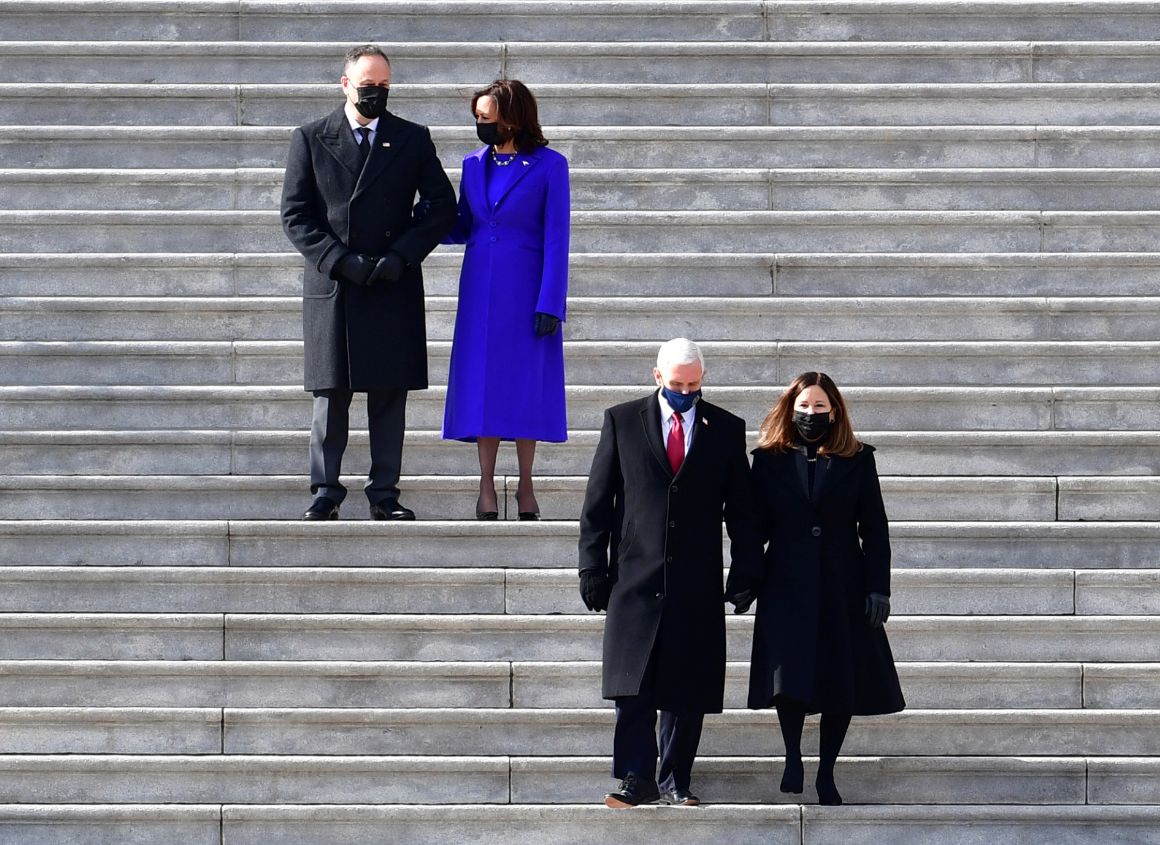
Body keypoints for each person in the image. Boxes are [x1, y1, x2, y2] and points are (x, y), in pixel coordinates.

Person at [578, 338, 758, 808]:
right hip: (634, 577)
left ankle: (677, 777)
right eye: (677, 385)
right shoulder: (622, 421)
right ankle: (637, 777)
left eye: (694, 385)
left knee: (688, 684)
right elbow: (598, 502)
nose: (686, 393)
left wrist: (746, 569)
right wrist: (591, 566)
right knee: (631, 685)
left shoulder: (726, 428)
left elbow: (742, 511)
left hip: (696, 579)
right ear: (657, 376)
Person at [281, 44, 456, 521]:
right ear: (345, 84)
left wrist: (401, 255)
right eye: (366, 85)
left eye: (383, 86)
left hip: (390, 283)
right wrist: (339, 259)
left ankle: (384, 493)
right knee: (330, 397)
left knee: (389, 396)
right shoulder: (311, 138)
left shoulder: (412, 138)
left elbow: (442, 206)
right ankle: (325, 492)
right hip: (336, 285)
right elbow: (295, 215)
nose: (375, 93)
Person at [725, 371, 905, 805]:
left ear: (834, 411)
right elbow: (751, 527)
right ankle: (792, 755)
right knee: (787, 673)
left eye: (820, 406)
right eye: (804, 406)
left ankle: (826, 772)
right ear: (791, 410)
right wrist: (745, 578)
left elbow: (874, 528)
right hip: (785, 581)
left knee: (840, 678)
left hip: (843, 582)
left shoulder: (858, 458)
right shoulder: (767, 459)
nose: (811, 413)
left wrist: (878, 588)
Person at [441, 79, 570, 520]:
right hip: (479, 290)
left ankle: (526, 485)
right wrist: (428, 215)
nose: (481, 124)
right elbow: (463, 226)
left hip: (527, 289)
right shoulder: (472, 164)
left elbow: (557, 238)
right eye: (477, 117)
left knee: (525, 386)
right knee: (484, 387)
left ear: (512, 118)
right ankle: (485, 485)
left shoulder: (550, 165)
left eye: (488, 117)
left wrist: (551, 302)